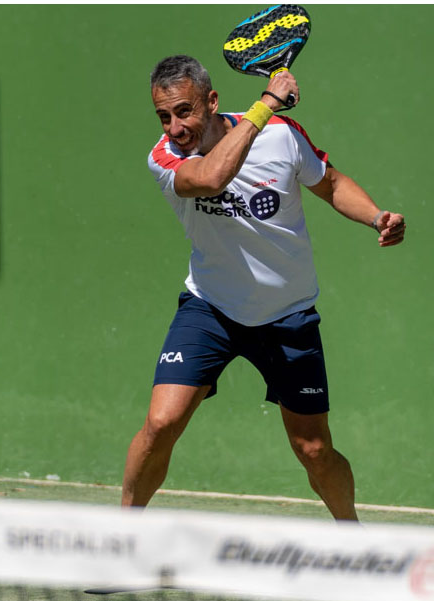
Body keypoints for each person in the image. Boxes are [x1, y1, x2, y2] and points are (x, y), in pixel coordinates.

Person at [121, 55, 406, 521]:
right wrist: (266, 104)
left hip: (288, 315)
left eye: (184, 111)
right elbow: (211, 178)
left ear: (211, 101)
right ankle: (121, 537)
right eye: (164, 116)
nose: (174, 127)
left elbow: (331, 183)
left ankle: (355, 541)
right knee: (160, 423)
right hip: (210, 309)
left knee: (314, 450)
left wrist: (376, 217)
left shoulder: (282, 136)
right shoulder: (166, 157)